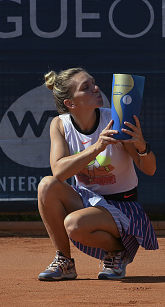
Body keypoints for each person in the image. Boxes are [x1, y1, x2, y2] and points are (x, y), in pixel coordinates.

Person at [38, 67, 158, 281]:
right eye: (86, 87)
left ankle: (118, 251)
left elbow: (149, 168)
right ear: (70, 103)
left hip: (123, 207)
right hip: (88, 202)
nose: (96, 88)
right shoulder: (60, 125)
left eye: (93, 83)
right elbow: (58, 172)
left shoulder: (116, 120)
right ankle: (64, 261)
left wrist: (141, 145)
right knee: (47, 185)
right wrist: (96, 147)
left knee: (74, 224)